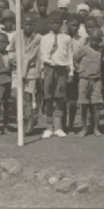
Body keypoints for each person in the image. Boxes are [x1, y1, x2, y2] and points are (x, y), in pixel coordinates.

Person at [39, 11, 74, 139]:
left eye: (57, 23)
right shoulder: (44, 38)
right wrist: (42, 75)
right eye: (52, 23)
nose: (55, 25)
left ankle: (58, 127)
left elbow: (70, 56)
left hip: (62, 69)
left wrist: (71, 73)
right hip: (49, 69)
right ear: (49, 24)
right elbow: (42, 57)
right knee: (48, 98)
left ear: (62, 24)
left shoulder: (67, 38)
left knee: (60, 98)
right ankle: (49, 127)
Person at [9, 12, 41, 135]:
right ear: (22, 24)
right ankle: (28, 117)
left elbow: (40, 55)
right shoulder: (17, 36)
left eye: (31, 25)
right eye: (26, 24)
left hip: (31, 70)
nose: (28, 27)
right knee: (15, 94)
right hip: (18, 69)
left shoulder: (38, 38)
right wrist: (12, 59)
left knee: (27, 96)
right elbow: (10, 49)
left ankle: (28, 121)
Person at [74, 27, 104, 137]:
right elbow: (75, 59)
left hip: (97, 81)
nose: (95, 42)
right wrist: (80, 70)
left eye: (97, 40)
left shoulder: (101, 50)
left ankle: (96, 128)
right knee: (84, 105)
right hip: (84, 80)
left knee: (96, 105)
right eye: (93, 40)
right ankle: (84, 128)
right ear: (88, 39)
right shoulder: (83, 49)